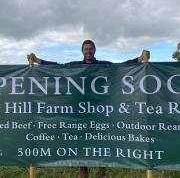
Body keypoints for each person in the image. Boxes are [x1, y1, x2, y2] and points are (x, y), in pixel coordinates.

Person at [27, 40, 150, 178]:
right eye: (85, 49)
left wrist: (139, 59)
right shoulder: (75, 66)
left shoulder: (103, 66)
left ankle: (102, 172)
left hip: (100, 111)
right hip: (81, 111)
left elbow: (120, 67)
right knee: (82, 141)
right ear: (82, 51)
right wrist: (38, 60)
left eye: (90, 49)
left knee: (101, 140)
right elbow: (58, 67)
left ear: (94, 50)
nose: (88, 51)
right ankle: (83, 171)